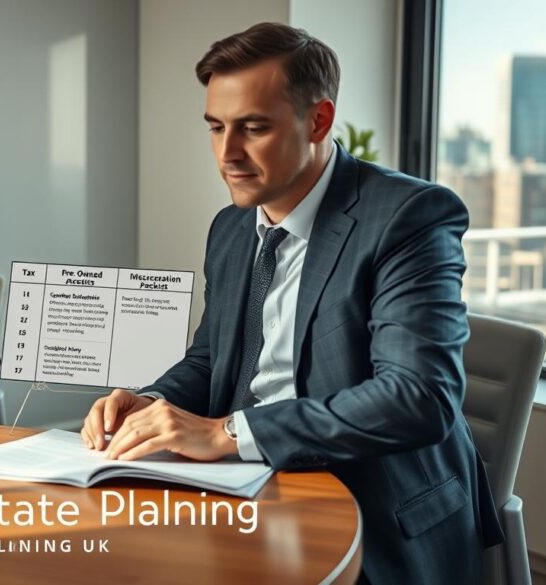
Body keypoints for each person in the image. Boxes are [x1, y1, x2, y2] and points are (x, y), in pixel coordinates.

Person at [79, 23, 502, 584]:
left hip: (373, 512)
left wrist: (227, 434)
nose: (227, 153)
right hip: (246, 491)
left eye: (253, 128)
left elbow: (418, 396)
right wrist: (151, 402)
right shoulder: (231, 228)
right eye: (215, 128)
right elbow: (210, 361)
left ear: (319, 121)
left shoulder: (408, 216)